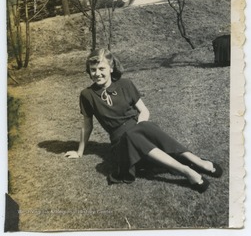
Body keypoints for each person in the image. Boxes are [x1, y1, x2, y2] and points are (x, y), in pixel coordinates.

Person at [65, 48, 222, 193]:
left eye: (101, 69)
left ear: (111, 68)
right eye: (93, 70)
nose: (97, 73)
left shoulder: (126, 84)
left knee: (142, 128)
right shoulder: (87, 94)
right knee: (131, 136)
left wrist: (140, 125)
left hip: (141, 131)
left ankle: (197, 161)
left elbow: (144, 111)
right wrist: (79, 152)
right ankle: (186, 170)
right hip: (122, 146)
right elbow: (87, 125)